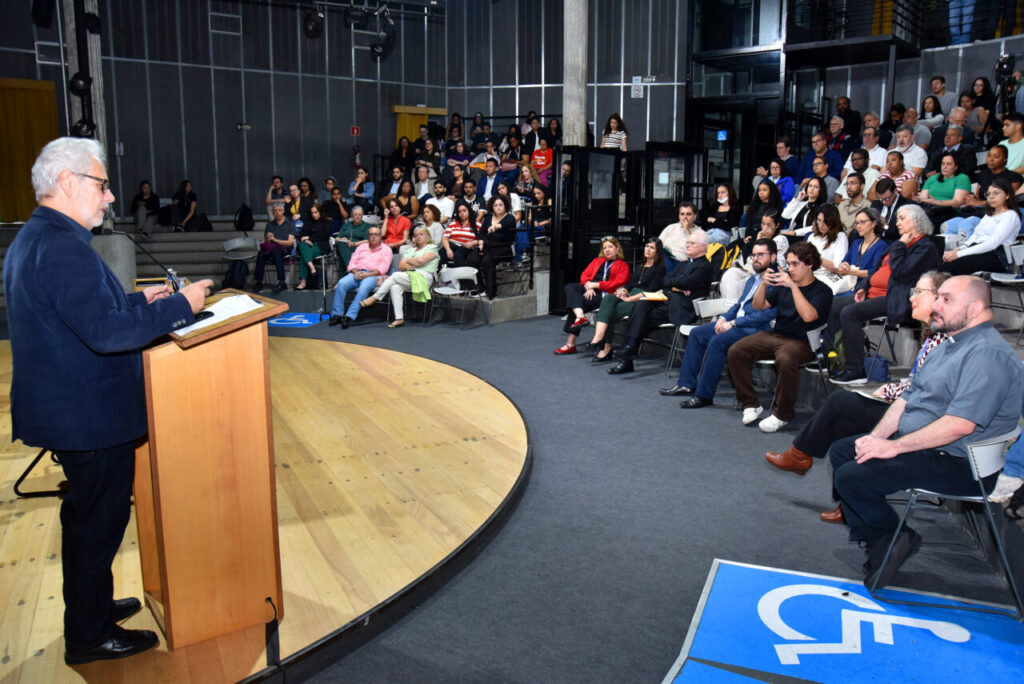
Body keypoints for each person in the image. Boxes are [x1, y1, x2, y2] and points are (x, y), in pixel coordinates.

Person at [4, 137, 212, 664]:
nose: (111, 197)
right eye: (101, 184)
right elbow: (105, 334)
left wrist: (139, 299)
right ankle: (90, 635)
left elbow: (82, 311)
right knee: (97, 526)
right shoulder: (62, 246)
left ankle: (91, 608)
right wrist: (180, 308)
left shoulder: (39, 238)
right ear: (68, 182)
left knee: (86, 520)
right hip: (88, 418)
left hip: (71, 411)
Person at [830, 276, 1024, 589]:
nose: (935, 305)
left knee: (853, 477)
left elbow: (960, 425)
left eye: (946, 299)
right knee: (844, 451)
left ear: (974, 309)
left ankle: (893, 537)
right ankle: (884, 537)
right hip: (934, 450)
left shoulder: (988, 354)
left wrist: (894, 448)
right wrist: (879, 438)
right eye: (938, 298)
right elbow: (906, 400)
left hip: (965, 465)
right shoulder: (949, 344)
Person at [766, 272, 951, 523]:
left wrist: (889, 390)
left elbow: (925, 389)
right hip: (911, 406)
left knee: (841, 402)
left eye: (919, 292)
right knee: (843, 422)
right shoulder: (933, 333)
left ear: (941, 298)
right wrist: (892, 389)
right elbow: (920, 382)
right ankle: (847, 503)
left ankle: (802, 455)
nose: (911, 298)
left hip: (919, 419)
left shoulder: (945, 339)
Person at [726, 241, 833, 433]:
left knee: (785, 358)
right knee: (736, 351)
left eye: (795, 264)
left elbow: (809, 317)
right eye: (789, 264)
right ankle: (750, 403)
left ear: (809, 264)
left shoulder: (822, 291)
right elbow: (759, 306)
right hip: (778, 335)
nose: (790, 268)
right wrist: (764, 285)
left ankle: (782, 414)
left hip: (805, 341)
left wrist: (793, 287)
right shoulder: (782, 285)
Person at [831, 204, 939, 384]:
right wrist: (863, 287)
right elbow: (877, 271)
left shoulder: (925, 247)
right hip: (873, 293)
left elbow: (900, 271)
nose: (897, 223)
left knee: (849, 313)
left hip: (897, 297)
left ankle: (856, 369)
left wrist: (901, 245)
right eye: (897, 219)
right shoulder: (899, 244)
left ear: (917, 220)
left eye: (902, 218)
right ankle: (834, 358)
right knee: (834, 305)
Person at [670, 238, 779, 406]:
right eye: (754, 255)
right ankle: (686, 384)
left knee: (717, 341)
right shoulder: (753, 279)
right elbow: (739, 304)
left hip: (754, 329)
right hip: (737, 323)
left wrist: (734, 323)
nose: (756, 258)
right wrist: (724, 318)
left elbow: (765, 316)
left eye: (761, 255)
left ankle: (704, 395)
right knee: (697, 334)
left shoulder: (778, 281)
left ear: (773, 257)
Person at [608, 231, 713, 375]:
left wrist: (676, 285)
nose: (687, 245)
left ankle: (628, 355)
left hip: (683, 308)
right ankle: (629, 352)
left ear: (702, 247)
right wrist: (677, 287)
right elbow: (665, 281)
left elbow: (684, 282)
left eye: (692, 243)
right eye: (687, 242)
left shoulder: (704, 266)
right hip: (669, 302)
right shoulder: (683, 264)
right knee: (641, 305)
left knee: (639, 318)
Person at [583, 238, 667, 363]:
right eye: (647, 246)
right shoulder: (640, 266)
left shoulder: (659, 268)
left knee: (608, 313)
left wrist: (629, 299)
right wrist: (623, 291)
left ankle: (606, 347)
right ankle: (598, 337)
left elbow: (652, 290)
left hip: (641, 299)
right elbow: (630, 284)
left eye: (652, 248)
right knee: (609, 299)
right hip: (630, 295)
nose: (648, 249)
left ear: (658, 251)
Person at [554, 237, 631, 355]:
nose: (607, 250)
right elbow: (585, 275)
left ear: (617, 248)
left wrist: (596, 285)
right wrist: (588, 286)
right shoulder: (597, 261)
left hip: (606, 295)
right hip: (590, 290)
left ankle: (570, 344)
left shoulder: (623, 265)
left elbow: (617, 283)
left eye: (610, 247)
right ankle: (580, 317)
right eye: (604, 248)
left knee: (576, 304)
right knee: (570, 287)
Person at [361, 225, 439, 328]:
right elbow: (401, 266)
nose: (418, 237)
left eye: (421, 234)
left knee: (396, 275)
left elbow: (421, 261)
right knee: (395, 287)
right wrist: (415, 262)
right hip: (409, 276)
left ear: (427, 236)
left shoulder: (432, 248)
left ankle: (376, 297)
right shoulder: (411, 250)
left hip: (424, 277)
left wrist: (410, 261)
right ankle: (399, 318)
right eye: (416, 235)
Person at [942, 177, 1021, 275]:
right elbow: (975, 237)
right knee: (944, 261)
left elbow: (993, 243)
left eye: (996, 193)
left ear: (1007, 195)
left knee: (953, 265)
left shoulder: (1010, 215)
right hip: (979, 250)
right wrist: (958, 249)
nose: (991, 197)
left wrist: (959, 254)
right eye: (988, 194)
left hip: (996, 255)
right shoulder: (989, 215)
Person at [328, 225, 393, 329]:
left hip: (372, 275)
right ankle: (337, 314)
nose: (374, 237)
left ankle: (349, 316)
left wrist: (367, 275)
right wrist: (355, 272)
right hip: (357, 273)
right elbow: (352, 262)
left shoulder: (386, 250)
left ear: (381, 236)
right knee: (341, 283)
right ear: (368, 236)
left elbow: (383, 269)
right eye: (371, 234)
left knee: (364, 287)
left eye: (376, 234)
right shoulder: (361, 247)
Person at [476, 196, 517, 299]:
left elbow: (507, 224)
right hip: (488, 247)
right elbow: (481, 234)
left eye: (500, 205)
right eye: (496, 205)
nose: (498, 207)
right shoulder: (488, 218)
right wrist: (480, 244)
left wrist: (495, 226)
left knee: (487, 261)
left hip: (503, 249)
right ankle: (481, 288)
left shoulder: (510, 218)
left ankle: (491, 292)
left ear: (505, 206)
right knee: (472, 259)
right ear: (492, 207)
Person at [917, 151, 972, 226]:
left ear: (956, 167)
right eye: (943, 163)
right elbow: (923, 198)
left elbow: (957, 202)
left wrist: (937, 202)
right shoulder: (932, 178)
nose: (944, 166)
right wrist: (918, 200)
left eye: (949, 164)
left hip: (949, 212)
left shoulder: (962, 178)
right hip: (929, 209)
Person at [807, 204, 852, 294]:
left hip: (825, 277)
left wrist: (817, 259)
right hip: (809, 273)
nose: (821, 225)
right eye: (819, 220)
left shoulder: (840, 237)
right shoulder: (812, 236)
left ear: (833, 222)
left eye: (825, 222)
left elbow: (838, 265)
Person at [255, 204, 295, 292]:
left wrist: (275, 240)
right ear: (273, 212)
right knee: (261, 254)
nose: (277, 212)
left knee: (276, 252)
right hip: (271, 247)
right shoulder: (270, 224)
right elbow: (266, 242)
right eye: (275, 211)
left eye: (279, 210)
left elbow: (289, 242)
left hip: (284, 247)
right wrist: (268, 238)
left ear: (283, 211)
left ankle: (282, 281)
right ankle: (259, 282)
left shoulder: (290, 224)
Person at [869, 177, 918, 242]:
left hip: (894, 243)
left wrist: (885, 226)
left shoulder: (908, 206)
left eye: (887, 199)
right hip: (875, 242)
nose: (883, 202)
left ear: (895, 191)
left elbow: (902, 234)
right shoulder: (876, 204)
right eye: (881, 199)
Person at [295, 203, 331, 290]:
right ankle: (312, 267)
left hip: (320, 246)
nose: (314, 215)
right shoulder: (308, 222)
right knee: (302, 245)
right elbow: (300, 235)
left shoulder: (326, 222)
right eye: (312, 213)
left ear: (320, 212)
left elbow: (325, 236)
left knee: (303, 255)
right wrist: (306, 240)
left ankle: (303, 281)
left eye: (316, 212)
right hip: (308, 246)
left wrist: (309, 238)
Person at [442, 202, 482, 269]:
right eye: (459, 211)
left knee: (458, 255)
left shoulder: (477, 224)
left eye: (464, 210)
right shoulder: (453, 223)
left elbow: (483, 239)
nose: (462, 213)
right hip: (452, 246)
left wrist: (473, 243)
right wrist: (448, 250)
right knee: (441, 254)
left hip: (467, 247)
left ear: (469, 211)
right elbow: (445, 238)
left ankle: (463, 278)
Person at [334, 205, 370, 271]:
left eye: (359, 214)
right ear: (352, 215)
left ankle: (348, 271)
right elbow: (336, 239)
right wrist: (342, 239)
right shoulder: (346, 225)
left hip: (358, 247)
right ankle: (351, 269)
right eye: (355, 214)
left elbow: (367, 240)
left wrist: (354, 244)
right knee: (341, 244)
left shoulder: (366, 226)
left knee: (342, 257)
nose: (357, 216)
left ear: (362, 215)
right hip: (345, 245)